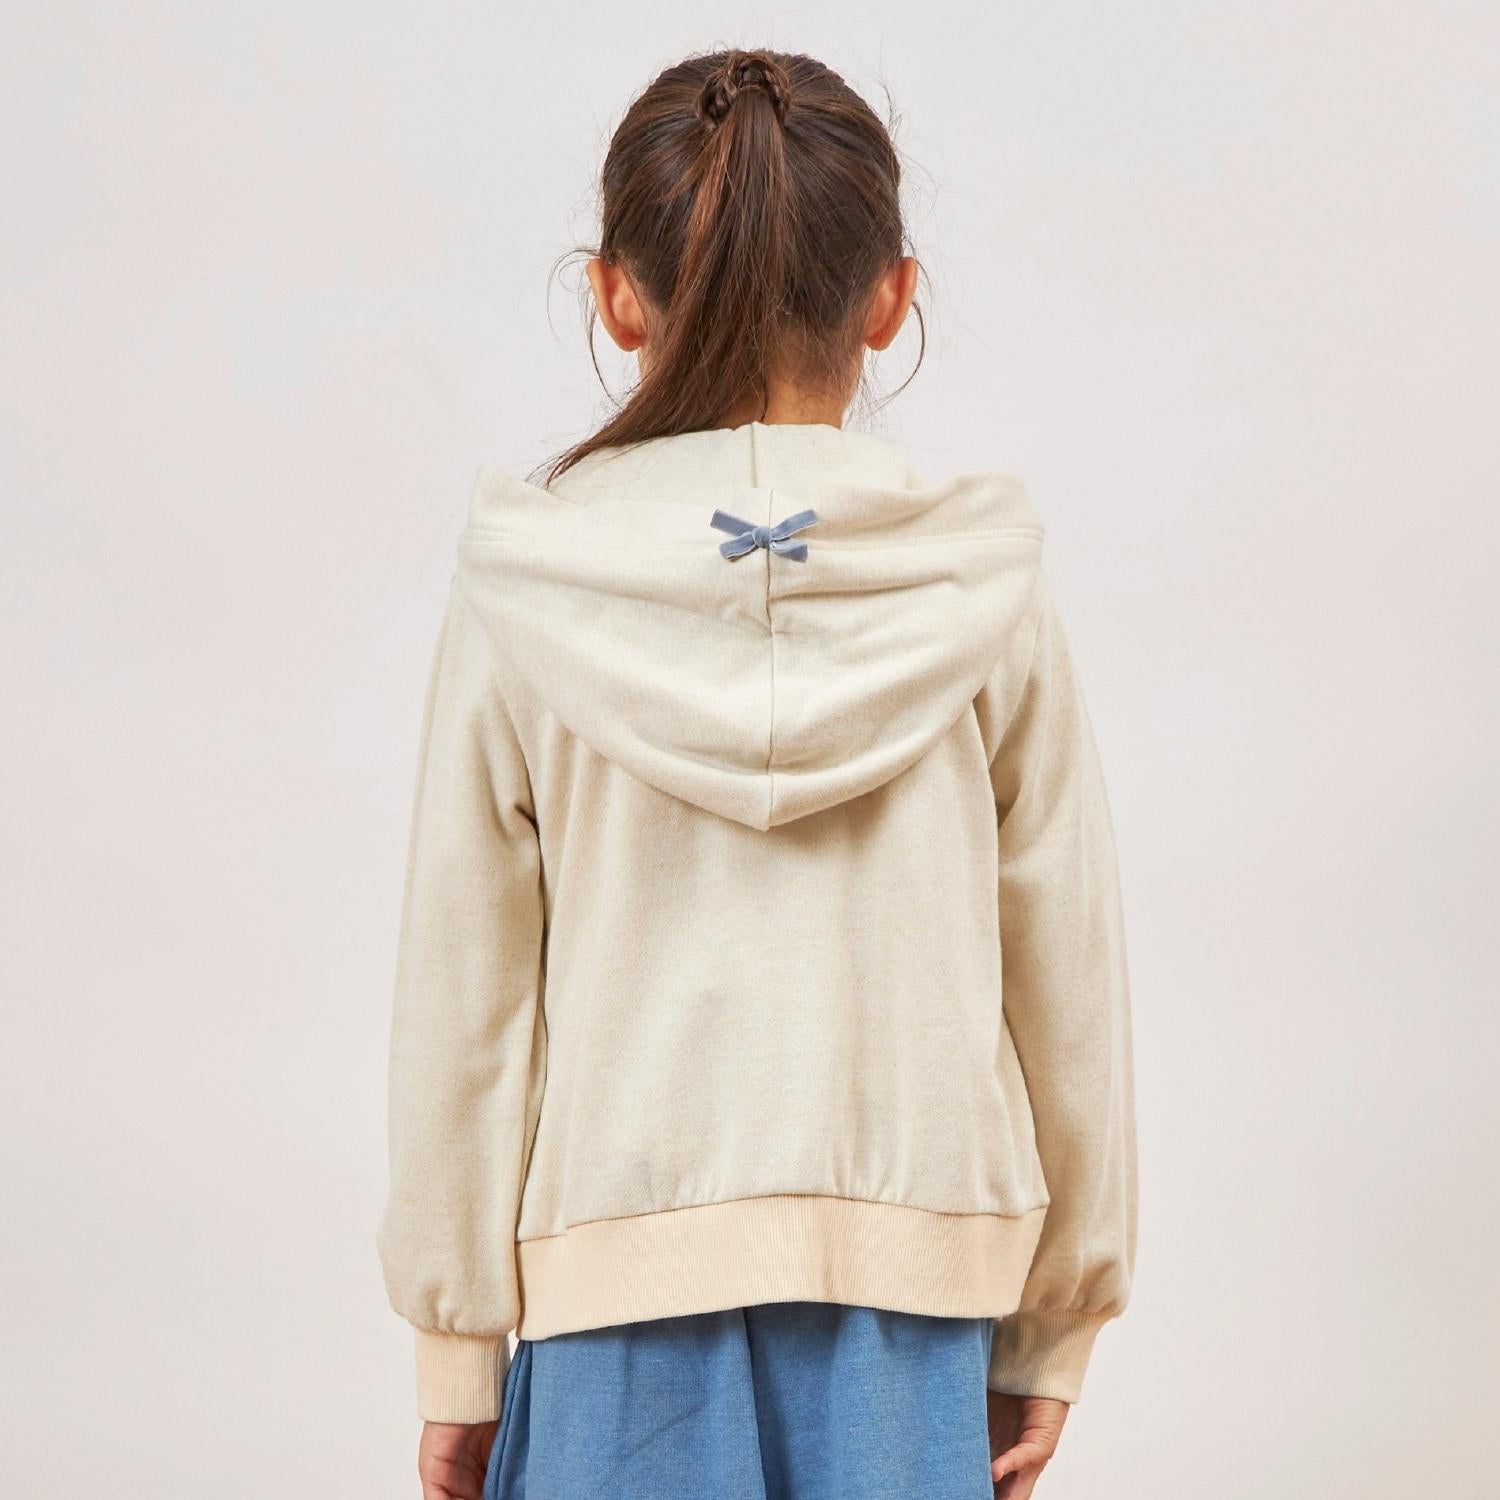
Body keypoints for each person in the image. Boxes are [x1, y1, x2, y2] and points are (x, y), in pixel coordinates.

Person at [376, 45, 1138, 1500]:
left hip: (608, 1302)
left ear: (615, 297)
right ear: (889, 299)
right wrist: (1056, 1324)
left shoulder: (531, 583)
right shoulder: (980, 583)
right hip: (910, 1315)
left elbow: (464, 993)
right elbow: (1069, 976)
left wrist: (457, 1348)